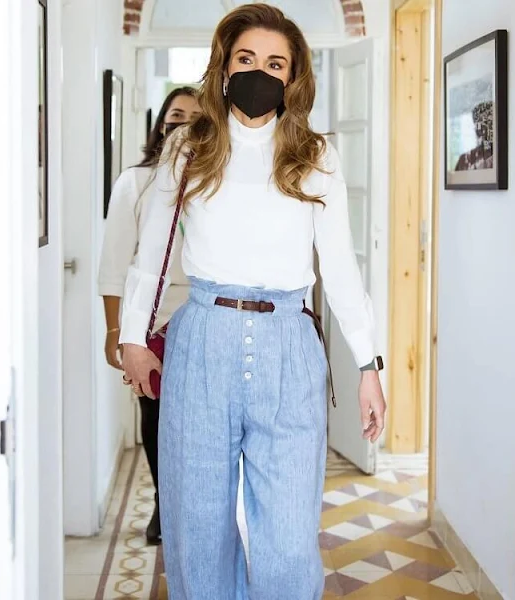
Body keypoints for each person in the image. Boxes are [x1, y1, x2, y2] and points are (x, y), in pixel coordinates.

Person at [120, 4, 387, 599]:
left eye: (275, 63)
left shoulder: (317, 157)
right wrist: (132, 338)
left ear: (293, 79)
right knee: (197, 531)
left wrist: (369, 367)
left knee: (288, 540)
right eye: (246, 59)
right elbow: (151, 254)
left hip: (289, 347)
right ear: (223, 66)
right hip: (202, 345)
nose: (259, 73)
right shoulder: (187, 149)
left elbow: (340, 269)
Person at [98, 86, 200, 545]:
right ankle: (164, 501)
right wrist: (116, 331)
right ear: (161, 124)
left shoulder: (214, 181)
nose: (184, 125)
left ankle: (194, 506)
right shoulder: (134, 182)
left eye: (196, 117)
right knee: (157, 416)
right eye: (176, 115)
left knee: (200, 422)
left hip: (202, 317)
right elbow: (114, 264)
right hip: (153, 321)